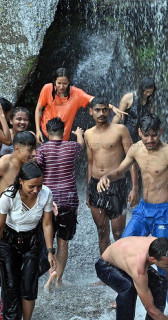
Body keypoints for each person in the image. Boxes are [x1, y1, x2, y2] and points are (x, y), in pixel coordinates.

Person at [97, 114, 168, 314]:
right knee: (122, 248)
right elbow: (121, 170)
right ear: (139, 133)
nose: (150, 141)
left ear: (161, 132)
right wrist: (106, 176)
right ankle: (126, 294)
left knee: (163, 260)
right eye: (146, 136)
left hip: (163, 212)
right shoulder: (135, 149)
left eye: (154, 136)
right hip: (143, 209)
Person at [0, 162, 56, 320]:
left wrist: (50, 251)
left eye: (39, 185)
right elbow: (0, 227)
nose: (36, 190)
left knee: (29, 285)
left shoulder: (46, 194)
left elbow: (46, 224)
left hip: (32, 241)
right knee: (11, 286)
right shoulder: (8, 197)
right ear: (21, 181)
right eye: (32, 186)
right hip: (8, 242)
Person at [84, 97, 138, 255]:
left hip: (117, 186)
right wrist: (88, 189)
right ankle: (106, 271)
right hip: (96, 186)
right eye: (97, 110)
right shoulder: (88, 134)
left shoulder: (120, 130)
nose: (101, 113)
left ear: (109, 110)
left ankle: (122, 270)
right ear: (91, 112)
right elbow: (90, 162)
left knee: (118, 233)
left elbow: (131, 159)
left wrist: (134, 188)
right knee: (102, 232)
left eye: (104, 109)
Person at [95, 236, 168, 320]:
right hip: (106, 266)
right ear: (153, 259)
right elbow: (150, 309)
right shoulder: (139, 268)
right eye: (167, 264)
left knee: (160, 282)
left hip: (124, 260)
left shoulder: (161, 248)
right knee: (129, 287)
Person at [36, 117, 84, 290]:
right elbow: (81, 146)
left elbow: (37, 169)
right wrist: (79, 134)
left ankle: (51, 273)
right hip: (68, 201)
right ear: (63, 132)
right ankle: (58, 280)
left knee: (47, 240)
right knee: (63, 242)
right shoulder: (72, 147)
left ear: (47, 132)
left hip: (48, 202)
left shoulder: (41, 150)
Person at [35, 67, 125, 143]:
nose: (61, 87)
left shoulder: (76, 93)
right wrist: (38, 130)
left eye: (65, 83)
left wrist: (112, 107)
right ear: (54, 81)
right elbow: (38, 110)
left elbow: (94, 100)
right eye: (59, 83)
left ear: (69, 81)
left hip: (62, 138)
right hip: (45, 134)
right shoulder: (47, 88)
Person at [112, 77, 156, 142]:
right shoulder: (128, 98)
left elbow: (151, 119)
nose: (149, 94)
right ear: (142, 89)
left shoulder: (150, 101)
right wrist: (110, 131)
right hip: (128, 134)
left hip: (143, 135)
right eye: (147, 92)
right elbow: (118, 116)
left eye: (151, 92)